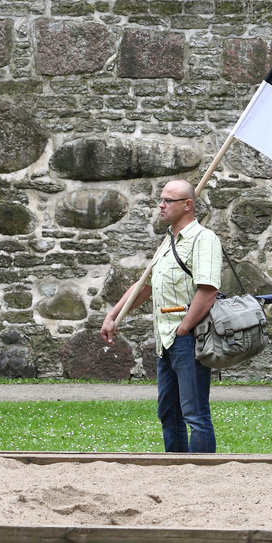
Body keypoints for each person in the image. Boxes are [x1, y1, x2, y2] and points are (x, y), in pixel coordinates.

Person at [100, 179, 221, 453]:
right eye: (161, 199)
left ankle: (201, 475)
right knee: (169, 412)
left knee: (195, 413)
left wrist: (184, 329)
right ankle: (175, 470)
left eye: (168, 200)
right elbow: (145, 285)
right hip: (165, 341)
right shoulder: (168, 242)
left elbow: (208, 290)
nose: (161, 205)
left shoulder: (204, 239)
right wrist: (113, 314)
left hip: (189, 339)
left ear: (187, 205)